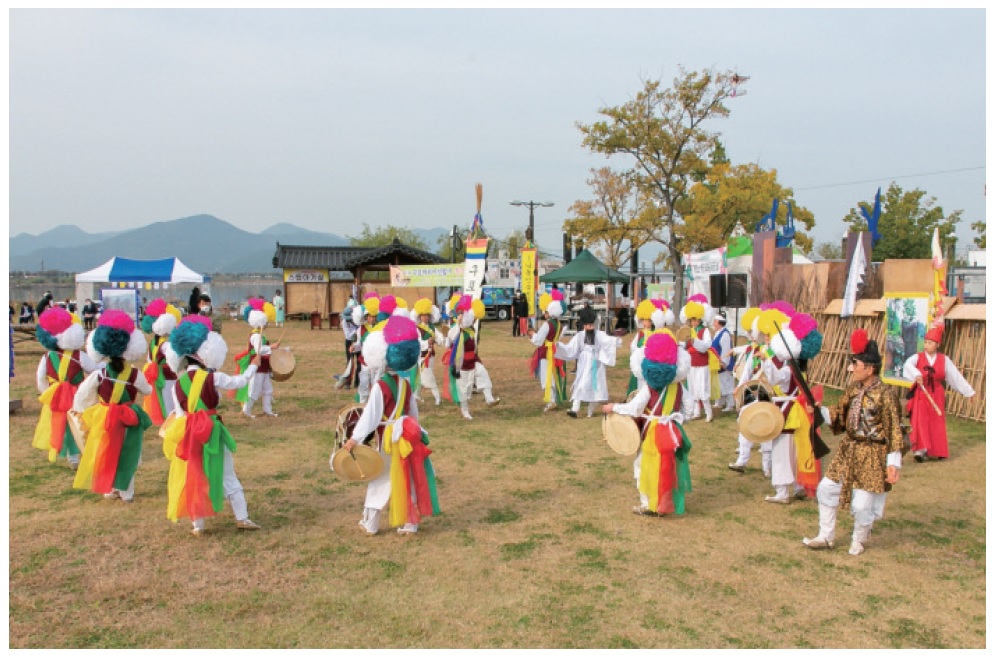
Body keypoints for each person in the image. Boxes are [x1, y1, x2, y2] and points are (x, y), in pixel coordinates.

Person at [803, 329, 903, 556]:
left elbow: (894, 429)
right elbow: (839, 415)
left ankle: (859, 539)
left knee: (862, 505)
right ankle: (825, 536)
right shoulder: (853, 390)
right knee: (827, 488)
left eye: (855, 364)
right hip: (849, 450)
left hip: (873, 454)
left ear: (869, 368)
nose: (851, 368)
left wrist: (893, 463)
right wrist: (820, 411)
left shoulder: (886, 395)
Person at [161, 316, 263, 536]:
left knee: (195, 474)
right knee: (227, 473)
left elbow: (180, 414)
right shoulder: (212, 376)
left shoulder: (177, 384)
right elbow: (239, 382)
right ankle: (242, 517)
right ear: (205, 352)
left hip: (188, 432)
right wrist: (253, 367)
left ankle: (198, 524)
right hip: (211, 430)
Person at [340, 315, 440, 535]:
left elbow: (371, 417)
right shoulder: (405, 384)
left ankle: (371, 523)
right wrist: (417, 433)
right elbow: (413, 415)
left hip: (387, 439)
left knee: (379, 480)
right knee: (407, 478)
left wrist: (354, 438)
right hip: (405, 437)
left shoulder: (380, 386)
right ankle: (410, 523)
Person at [603, 332, 692, 517]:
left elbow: (634, 408)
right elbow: (690, 410)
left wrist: (614, 407)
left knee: (642, 465)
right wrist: (675, 418)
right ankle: (663, 503)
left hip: (651, 432)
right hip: (671, 432)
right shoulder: (679, 387)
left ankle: (647, 503)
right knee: (666, 467)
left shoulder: (649, 388)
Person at [72, 310, 153, 503]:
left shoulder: (100, 374)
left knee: (106, 450)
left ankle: (109, 489)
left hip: (105, 417)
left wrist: (84, 410)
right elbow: (148, 391)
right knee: (128, 452)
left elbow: (83, 395)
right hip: (128, 418)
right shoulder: (134, 374)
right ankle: (127, 491)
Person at [32, 307, 99, 469]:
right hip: (76, 394)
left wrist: (47, 392)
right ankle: (81, 453)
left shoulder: (47, 357)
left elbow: (40, 378)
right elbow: (93, 371)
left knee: (61, 423)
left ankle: (71, 456)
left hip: (56, 395)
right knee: (78, 422)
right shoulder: (79, 356)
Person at [902, 326, 975, 462]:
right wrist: (917, 374)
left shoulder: (944, 360)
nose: (927, 345)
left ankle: (938, 450)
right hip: (921, 394)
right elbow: (907, 365)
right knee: (921, 421)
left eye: (930, 343)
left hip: (936, 394)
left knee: (936, 422)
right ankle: (920, 451)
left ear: (937, 345)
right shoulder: (917, 357)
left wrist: (968, 391)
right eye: (926, 342)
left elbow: (955, 376)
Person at [555, 306, 620, 419]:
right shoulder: (580, 336)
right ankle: (575, 409)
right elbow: (570, 348)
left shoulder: (599, 334)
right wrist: (559, 346)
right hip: (584, 363)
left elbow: (608, 341)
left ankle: (590, 411)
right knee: (581, 384)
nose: (590, 328)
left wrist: (616, 341)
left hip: (596, 363)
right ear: (584, 325)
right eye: (588, 325)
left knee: (596, 387)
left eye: (591, 325)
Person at [445, 294, 501, 420]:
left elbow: (474, 345)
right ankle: (465, 411)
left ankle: (489, 398)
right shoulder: (455, 329)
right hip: (462, 363)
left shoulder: (470, 330)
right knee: (464, 388)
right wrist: (458, 323)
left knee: (483, 373)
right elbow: (449, 341)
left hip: (473, 359)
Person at [139, 299, 182, 426]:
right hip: (166, 375)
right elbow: (174, 358)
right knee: (169, 398)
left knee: (160, 398)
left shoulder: (154, 342)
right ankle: (171, 419)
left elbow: (149, 359)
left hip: (156, 374)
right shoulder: (166, 344)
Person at [234, 298, 280, 418]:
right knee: (254, 390)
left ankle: (267, 410)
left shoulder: (259, 335)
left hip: (263, 365)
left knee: (268, 389)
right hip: (257, 365)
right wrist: (272, 347)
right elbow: (258, 350)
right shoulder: (255, 336)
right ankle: (246, 411)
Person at [528, 291, 568, 412]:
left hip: (546, 353)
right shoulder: (559, 324)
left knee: (546, 377)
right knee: (554, 375)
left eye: (545, 311)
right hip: (555, 352)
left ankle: (550, 400)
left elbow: (538, 341)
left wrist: (532, 335)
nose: (544, 313)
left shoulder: (547, 325)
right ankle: (555, 398)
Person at [679, 296, 714, 422]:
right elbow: (683, 345)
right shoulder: (688, 331)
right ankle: (696, 411)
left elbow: (707, 345)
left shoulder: (704, 331)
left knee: (703, 388)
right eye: (691, 319)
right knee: (693, 388)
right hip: (692, 364)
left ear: (700, 319)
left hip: (702, 364)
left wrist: (695, 341)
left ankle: (709, 413)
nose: (693, 321)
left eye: (695, 319)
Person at [413, 298, 444, 406]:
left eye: (427, 315)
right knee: (427, 375)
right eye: (423, 315)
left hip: (430, 355)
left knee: (423, 375)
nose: (425, 317)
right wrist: (427, 342)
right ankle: (437, 397)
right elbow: (418, 343)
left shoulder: (432, 327)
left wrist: (439, 339)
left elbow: (440, 338)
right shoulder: (417, 329)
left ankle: (416, 395)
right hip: (421, 356)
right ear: (419, 316)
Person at [711, 312, 736, 413]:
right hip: (717, 362)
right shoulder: (718, 333)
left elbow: (726, 350)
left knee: (727, 384)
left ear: (719, 322)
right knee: (719, 384)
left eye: (715, 322)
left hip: (724, 363)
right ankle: (719, 402)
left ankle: (730, 404)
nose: (714, 324)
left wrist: (724, 362)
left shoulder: (725, 334)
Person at [335, 298, 359, 390]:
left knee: (360, 363)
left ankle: (358, 382)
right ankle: (347, 382)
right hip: (350, 342)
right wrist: (357, 333)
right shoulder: (344, 322)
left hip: (358, 342)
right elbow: (348, 335)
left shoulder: (358, 319)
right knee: (350, 362)